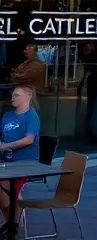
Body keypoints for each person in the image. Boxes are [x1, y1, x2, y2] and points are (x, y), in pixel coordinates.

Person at [0, 86, 39, 233]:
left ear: (28, 96)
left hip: (25, 163)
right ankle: (12, 223)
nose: (12, 97)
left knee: (4, 184)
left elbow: (29, 140)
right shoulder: (7, 116)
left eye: (17, 95)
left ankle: (12, 224)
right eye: (13, 95)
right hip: (7, 163)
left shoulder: (31, 116)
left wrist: (4, 147)